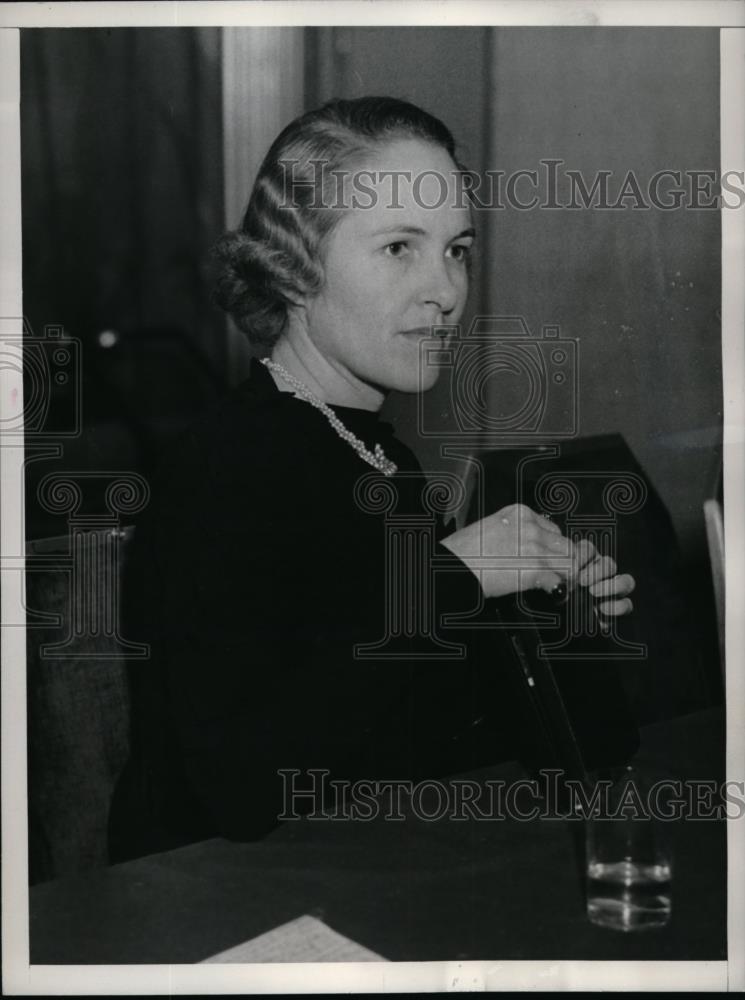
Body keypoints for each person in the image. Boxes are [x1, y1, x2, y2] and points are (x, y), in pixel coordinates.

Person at [108, 97, 635, 861]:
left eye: (456, 249)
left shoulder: (375, 454)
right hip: (226, 908)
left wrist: (554, 607)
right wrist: (452, 578)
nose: (446, 291)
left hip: (367, 869)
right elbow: (245, 788)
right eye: (398, 248)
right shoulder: (223, 471)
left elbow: (410, 713)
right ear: (292, 266)